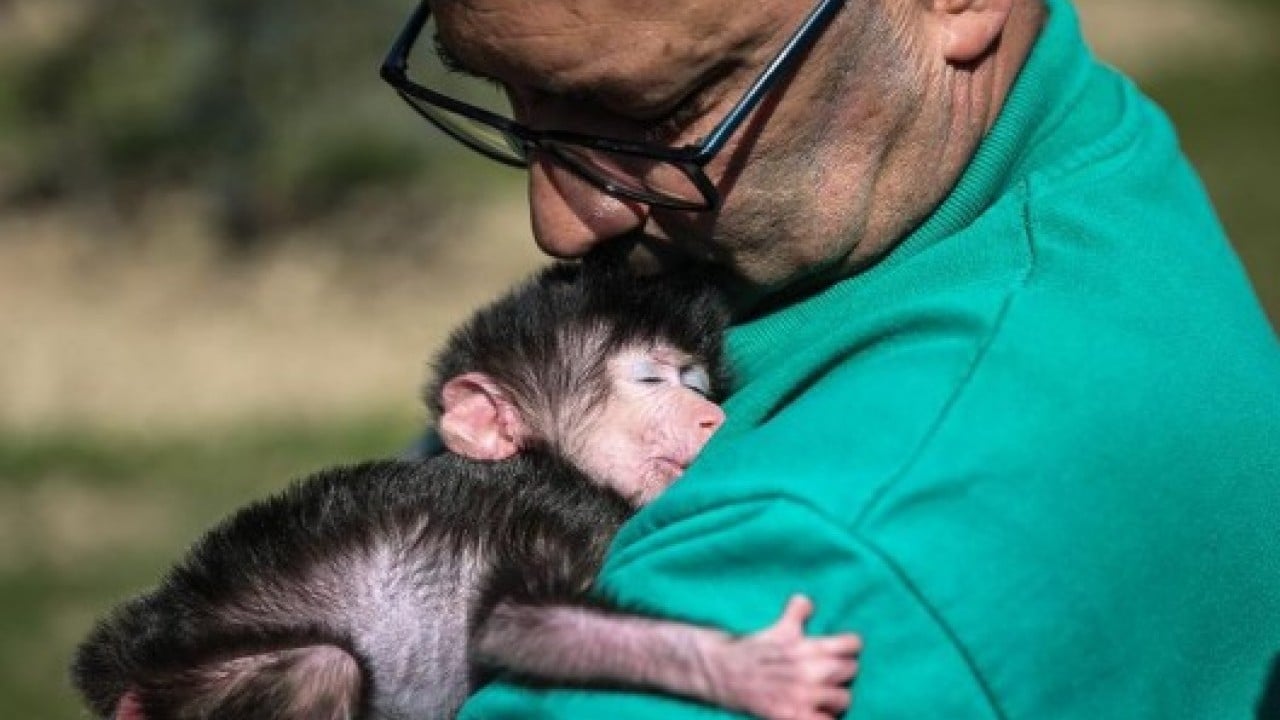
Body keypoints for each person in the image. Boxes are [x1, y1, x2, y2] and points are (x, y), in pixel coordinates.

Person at [382, 0, 1280, 717]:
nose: (561, 223)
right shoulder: (1073, 142)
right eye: (510, 93)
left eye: (646, 113)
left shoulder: (833, 560)